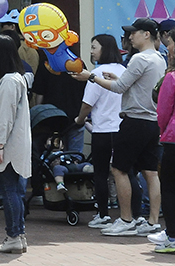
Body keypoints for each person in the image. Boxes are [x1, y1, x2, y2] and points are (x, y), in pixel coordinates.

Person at [75, 17, 164, 238]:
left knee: (119, 169)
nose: (130, 37)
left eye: (134, 32)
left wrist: (91, 77)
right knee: (151, 173)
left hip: (133, 120)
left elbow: (119, 87)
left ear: (146, 34)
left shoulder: (138, 59)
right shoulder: (159, 58)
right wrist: (117, 78)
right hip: (152, 121)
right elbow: (135, 84)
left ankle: (126, 220)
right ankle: (153, 221)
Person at [0, 34, 32, 254]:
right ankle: (18, 235)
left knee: (9, 190)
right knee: (12, 190)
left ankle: (13, 235)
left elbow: (5, 117)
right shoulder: (13, 79)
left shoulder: (9, 81)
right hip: (12, 143)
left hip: (8, 145)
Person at [75, 33, 123, 228]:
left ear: (105, 49)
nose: (91, 52)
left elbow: (87, 105)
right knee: (125, 173)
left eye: (94, 47)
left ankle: (103, 215)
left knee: (101, 174)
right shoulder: (124, 70)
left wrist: (79, 120)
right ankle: (131, 216)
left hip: (102, 131)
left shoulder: (96, 74)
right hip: (122, 130)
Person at [153, 43, 175, 253]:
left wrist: (163, 130)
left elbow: (163, 111)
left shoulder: (171, 78)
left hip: (173, 140)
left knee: (169, 188)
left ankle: (172, 236)